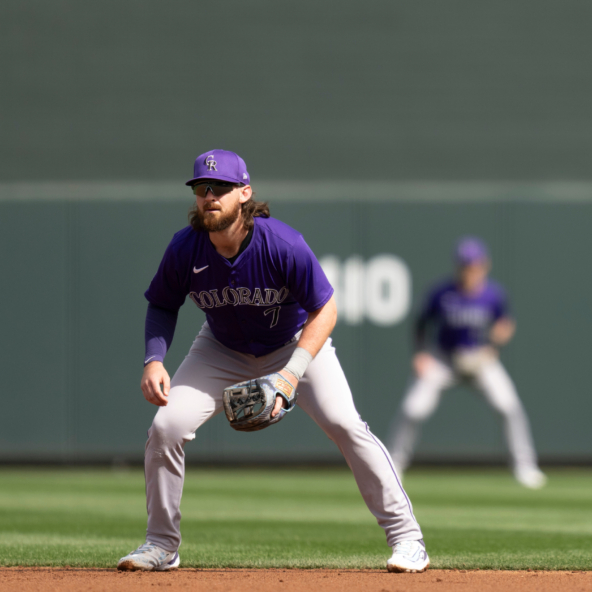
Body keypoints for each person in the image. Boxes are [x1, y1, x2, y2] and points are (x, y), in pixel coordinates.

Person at [117, 149, 429, 573]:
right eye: (201, 188)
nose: (210, 196)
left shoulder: (281, 243)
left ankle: (408, 539)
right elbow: (162, 304)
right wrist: (154, 360)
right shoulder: (185, 248)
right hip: (220, 347)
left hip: (292, 344)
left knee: (345, 424)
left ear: (244, 193)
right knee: (166, 427)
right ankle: (161, 544)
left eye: (221, 188)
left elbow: (327, 310)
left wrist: (291, 373)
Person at [386, 237, 546, 489]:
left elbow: (505, 322)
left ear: (485, 265)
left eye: (474, 265)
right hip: (444, 359)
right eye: (465, 265)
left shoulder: (494, 294)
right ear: (458, 266)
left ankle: (525, 466)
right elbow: (421, 323)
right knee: (413, 408)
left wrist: (497, 341)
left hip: (480, 359)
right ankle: (394, 464)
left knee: (508, 406)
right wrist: (420, 353)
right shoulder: (442, 293)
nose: (470, 270)